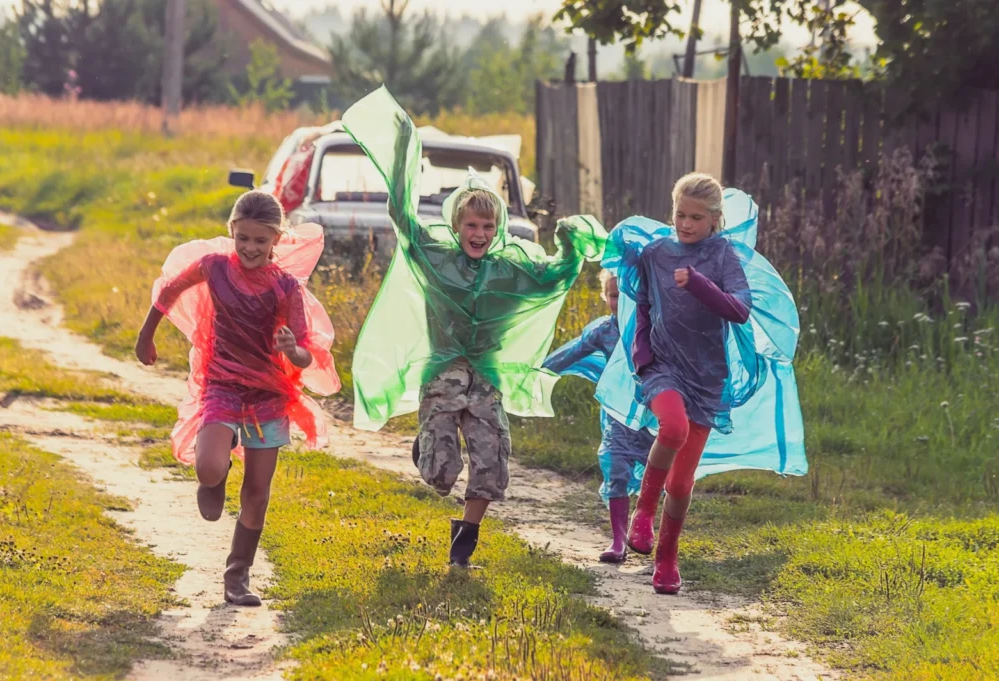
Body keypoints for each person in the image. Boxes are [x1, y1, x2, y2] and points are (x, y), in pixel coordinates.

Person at [341, 86, 607, 568]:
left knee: (492, 463)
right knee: (439, 474)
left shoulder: (513, 268)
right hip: (443, 375)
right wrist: (404, 149)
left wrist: (571, 242)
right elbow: (401, 216)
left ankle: (466, 540)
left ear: (498, 227)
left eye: (488, 227)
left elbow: (556, 276)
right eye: (471, 226)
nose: (479, 234)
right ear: (457, 225)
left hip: (486, 379)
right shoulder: (435, 258)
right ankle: (426, 446)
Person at [597, 173, 806, 595]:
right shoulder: (657, 253)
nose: (686, 224)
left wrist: (699, 283)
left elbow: (740, 310)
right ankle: (642, 515)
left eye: (696, 217)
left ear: (715, 219)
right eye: (679, 215)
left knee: (681, 482)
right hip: (662, 368)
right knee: (671, 428)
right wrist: (642, 357)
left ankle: (667, 559)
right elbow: (641, 304)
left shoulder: (724, 256)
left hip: (707, 379)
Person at [135, 190, 340, 605]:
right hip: (222, 385)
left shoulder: (286, 289)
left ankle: (237, 576)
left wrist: (289, 348)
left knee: (258, 493)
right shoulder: (213, 268)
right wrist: (146, 335)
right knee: (209, 468)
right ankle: (217, 473)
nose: (250, 248)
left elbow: (304, 354)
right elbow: (169, 290)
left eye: (260, 241)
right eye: (243, 238)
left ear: (275, 240)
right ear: (232, 232)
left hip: (268, 394)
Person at [543, 270, 655, 563]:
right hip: (618, 419)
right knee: (615, 469)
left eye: (627, 294)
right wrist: (539, 371)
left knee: (657, 477)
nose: (620, 300)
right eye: (614, 295)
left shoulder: (656, 328)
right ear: (605, 298)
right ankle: (618, 540)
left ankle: (645, 527)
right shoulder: (604, 331)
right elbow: (573, 351)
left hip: (655, 419)